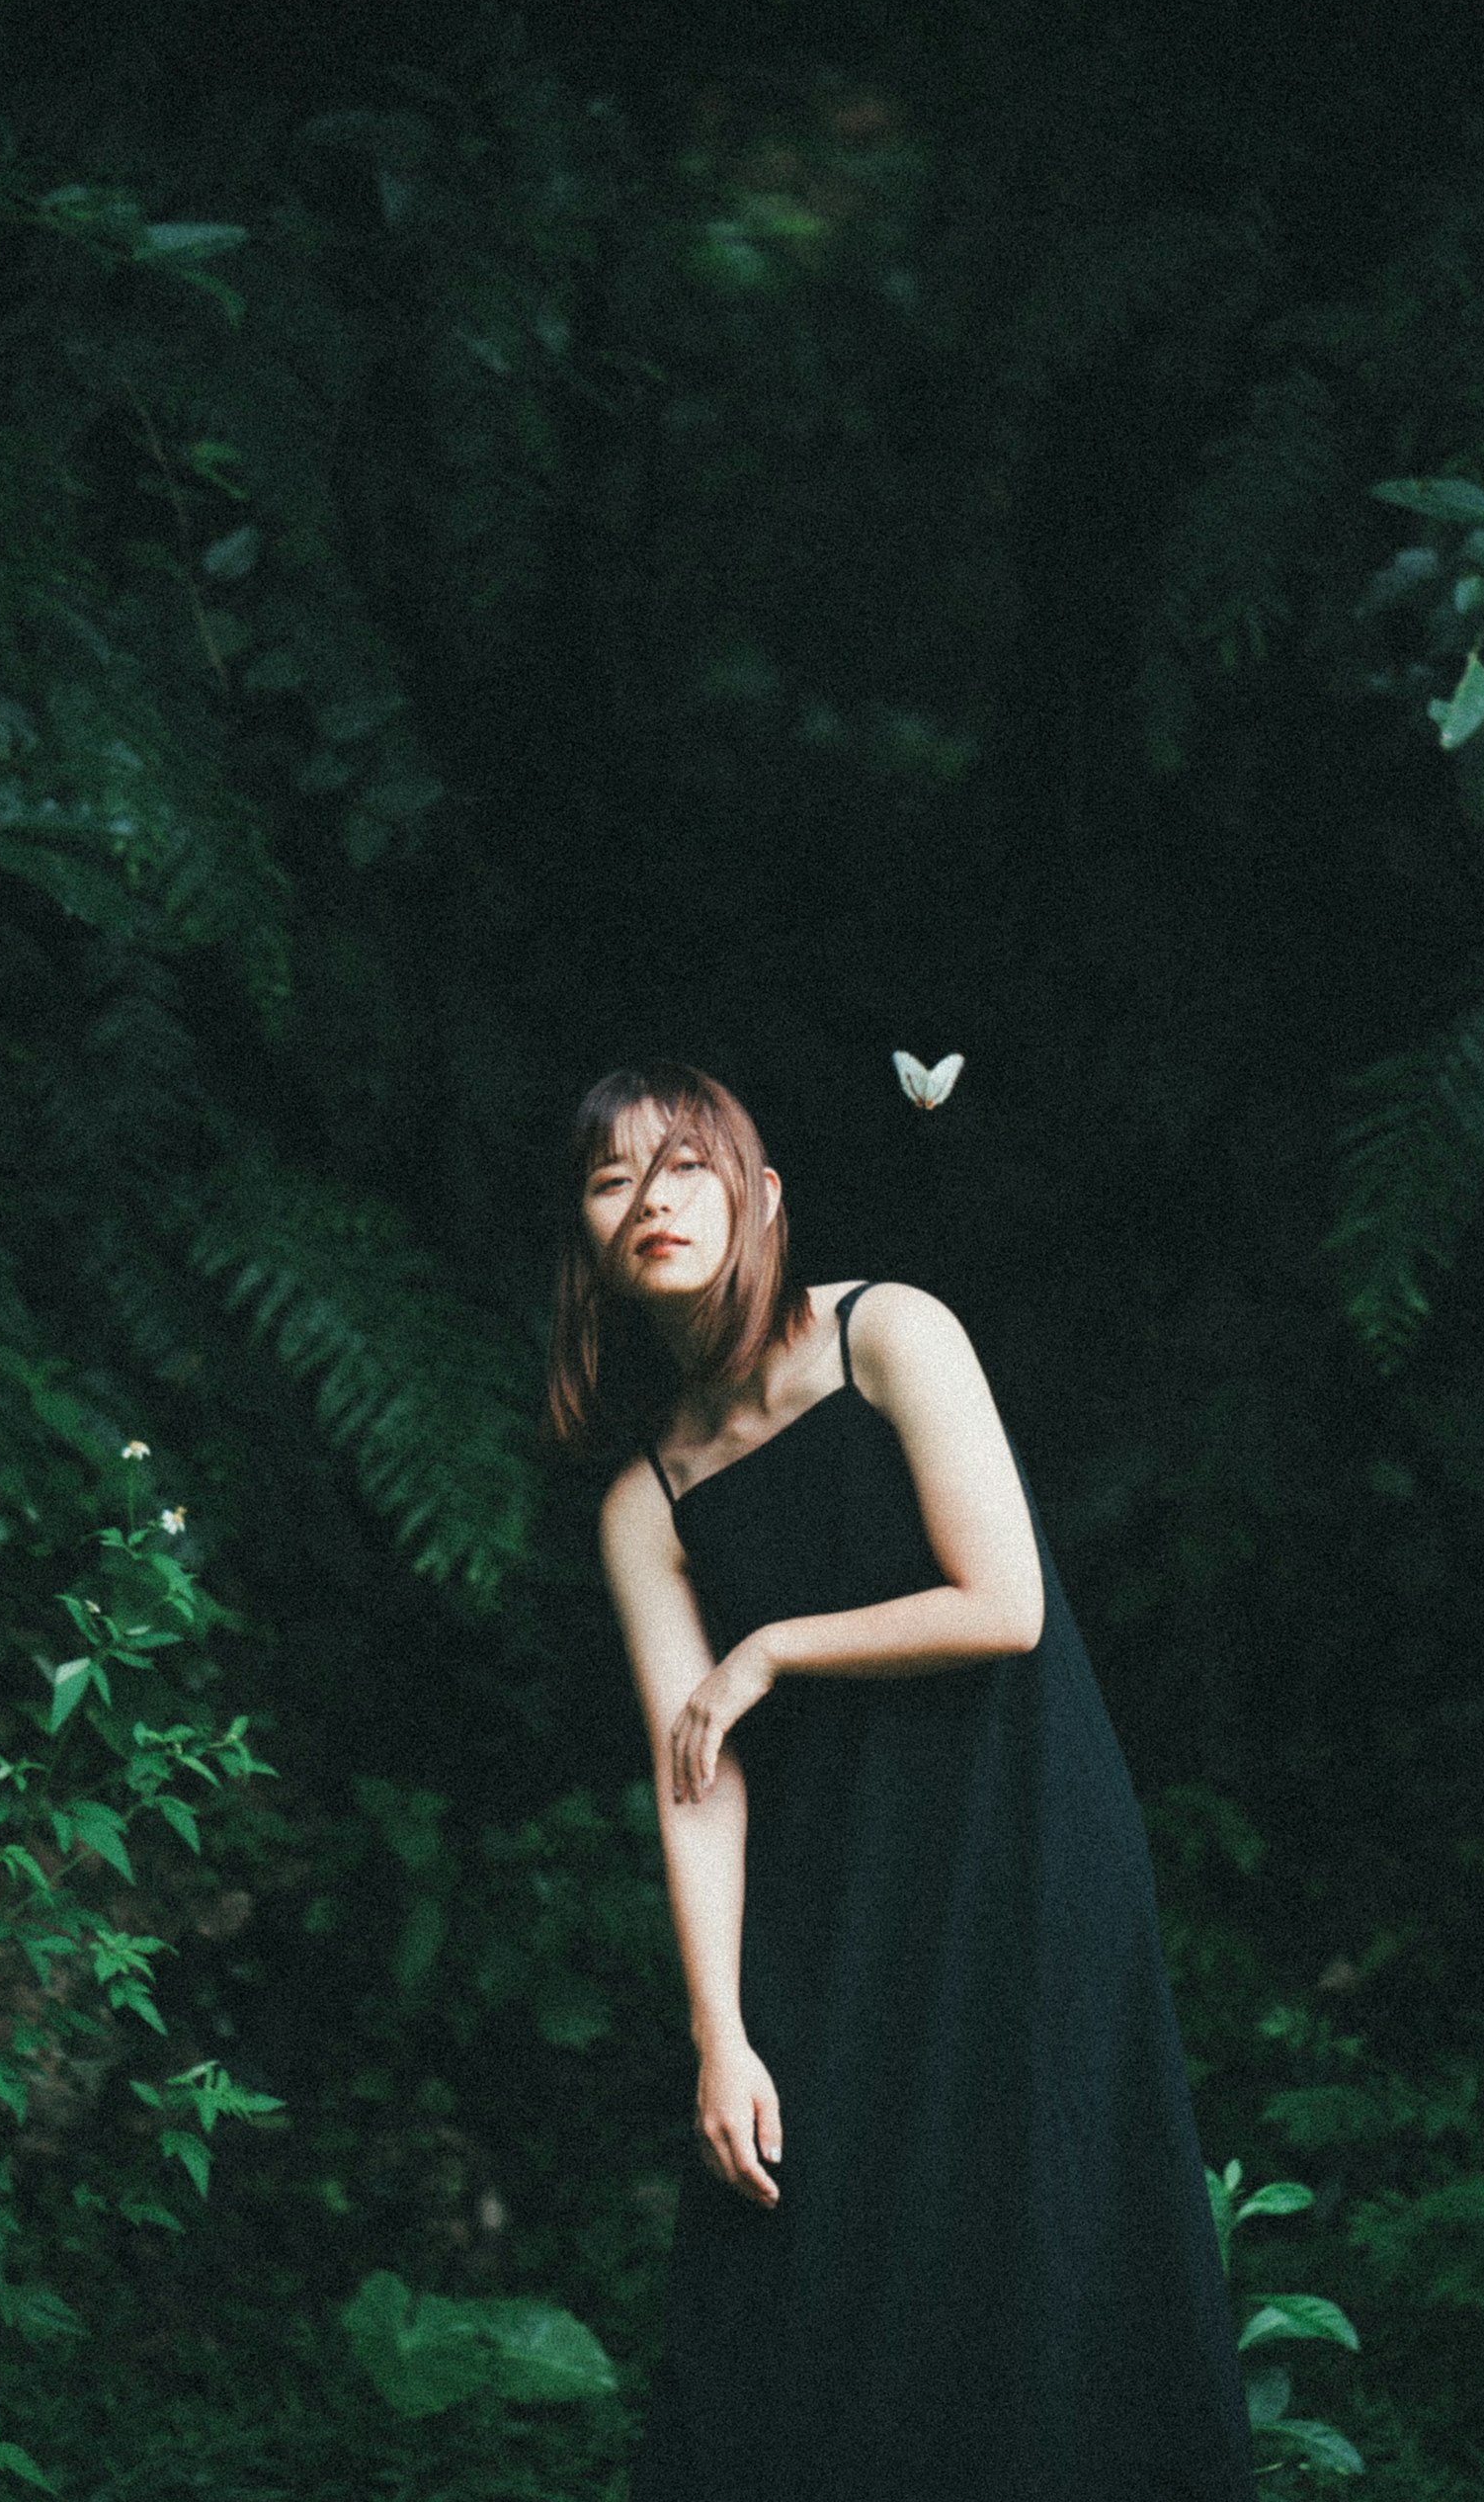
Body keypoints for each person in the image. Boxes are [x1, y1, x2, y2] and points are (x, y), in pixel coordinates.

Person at [551, 1060, 1256, 2502]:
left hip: (1019, 1848)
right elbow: (696, 1785)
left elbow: (1004, 1604)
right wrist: (719, 2034)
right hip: (829, 1905)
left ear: (761, 1198)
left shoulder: (890, 1334)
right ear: (591, 1242)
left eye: (684, 1166)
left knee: (1040, 2242)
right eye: (614, 1179)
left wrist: (771, 1652)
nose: (652, 1201)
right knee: (798, 2274)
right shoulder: (647, 1499)